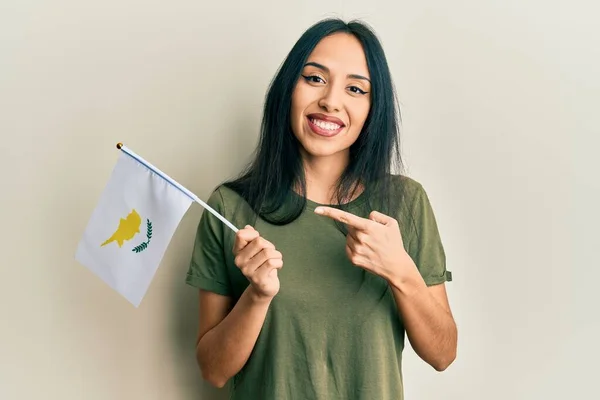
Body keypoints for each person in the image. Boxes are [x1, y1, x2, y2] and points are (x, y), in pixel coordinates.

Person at [185, 17, 457, 400]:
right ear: (288, 90)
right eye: (314, 78)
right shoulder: (231, 208)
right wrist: (257, 296)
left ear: (372, 109)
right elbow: (213, 371)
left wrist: (401, 272)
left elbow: (443, 354)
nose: (331, 100)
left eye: (355, 88)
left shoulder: (406, 203)